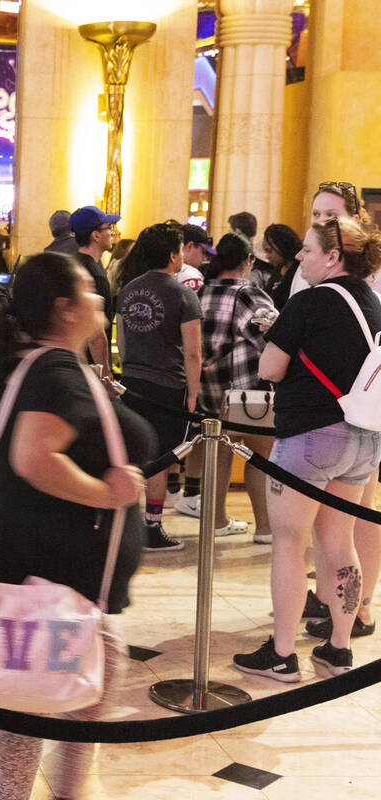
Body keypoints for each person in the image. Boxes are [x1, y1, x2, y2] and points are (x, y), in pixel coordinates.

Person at [0, 253, 148, 800]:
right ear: (65, 308)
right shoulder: (55, 372)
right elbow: (34, 458)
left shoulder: (34, 363)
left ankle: (57, 792)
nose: (101, 299)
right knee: (51, 692)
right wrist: (109, 493)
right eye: (90, 291)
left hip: (46, 557)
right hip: (55, 562)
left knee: (56, 689)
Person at [233, 216, 381, 681]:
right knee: (339, 544)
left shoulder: (309, 302)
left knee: (290, 544)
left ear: (334, 257)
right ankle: (338, 648)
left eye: (309, 249)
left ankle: (281, 654)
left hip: (309, 437)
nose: (300, 256)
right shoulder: (374, 303)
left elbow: (271, 368)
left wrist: (277, 338)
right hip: (363, 438)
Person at [173, 232, 276, 541]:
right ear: (246, 262)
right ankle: (266, 528)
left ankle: (216, 520)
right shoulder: (248, 294)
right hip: (247, 391)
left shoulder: (199, 293)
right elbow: (273, 335)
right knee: (260, 458)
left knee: (218, 453)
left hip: (208, 388)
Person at [116, 222, 203, 551]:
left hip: (133, 382)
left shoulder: (128, 290)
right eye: (181, 250)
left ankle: (126, 525)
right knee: (160, 459)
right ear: (172, 255)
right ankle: (152, 527)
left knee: (133, 454)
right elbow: (193, 352)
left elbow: (122, 341)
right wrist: (192, 394)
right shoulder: (184, 294)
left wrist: (130, 369)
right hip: (169, 387)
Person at [68, 205, 118, 375]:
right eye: (109, 228)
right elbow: (96, 334)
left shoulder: (72, 263)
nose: (112, 232)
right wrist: (105, 373)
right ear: (96, 235)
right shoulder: (95, 274)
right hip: (89, 366)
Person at [254, 223, 303, 309]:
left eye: (269, 251)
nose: (267, 256)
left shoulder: (300, 270)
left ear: (282, 246)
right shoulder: (278, 268)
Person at [178, 223, 213, 292]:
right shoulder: (190, 275)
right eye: (203, 251)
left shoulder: (163, 269)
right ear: (190, 246)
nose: (204, 258)